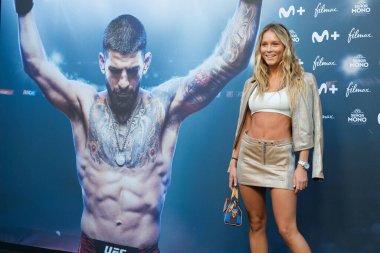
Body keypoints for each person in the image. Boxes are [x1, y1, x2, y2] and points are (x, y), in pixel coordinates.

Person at [15, 0, 262, 252]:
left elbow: (229, 61)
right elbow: (36, 65)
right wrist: (24, 9)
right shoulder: (83, 104)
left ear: (146, 63)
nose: (123, 82)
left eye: (132, 71)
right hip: (92, 246)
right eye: (115, 71)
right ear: (102, 62)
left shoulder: (166, 106)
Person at [228, 23, 324, 253]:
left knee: (287, 229)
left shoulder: (302, 81)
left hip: (281, 158)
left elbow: (308, 127)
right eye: (264, 44)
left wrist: (302, 164)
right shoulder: (252, 83)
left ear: (285, 47)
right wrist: (234, 161)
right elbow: (245, 125)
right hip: (249, 157)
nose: (269, 49)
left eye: (274, 44)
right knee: (256, 223)